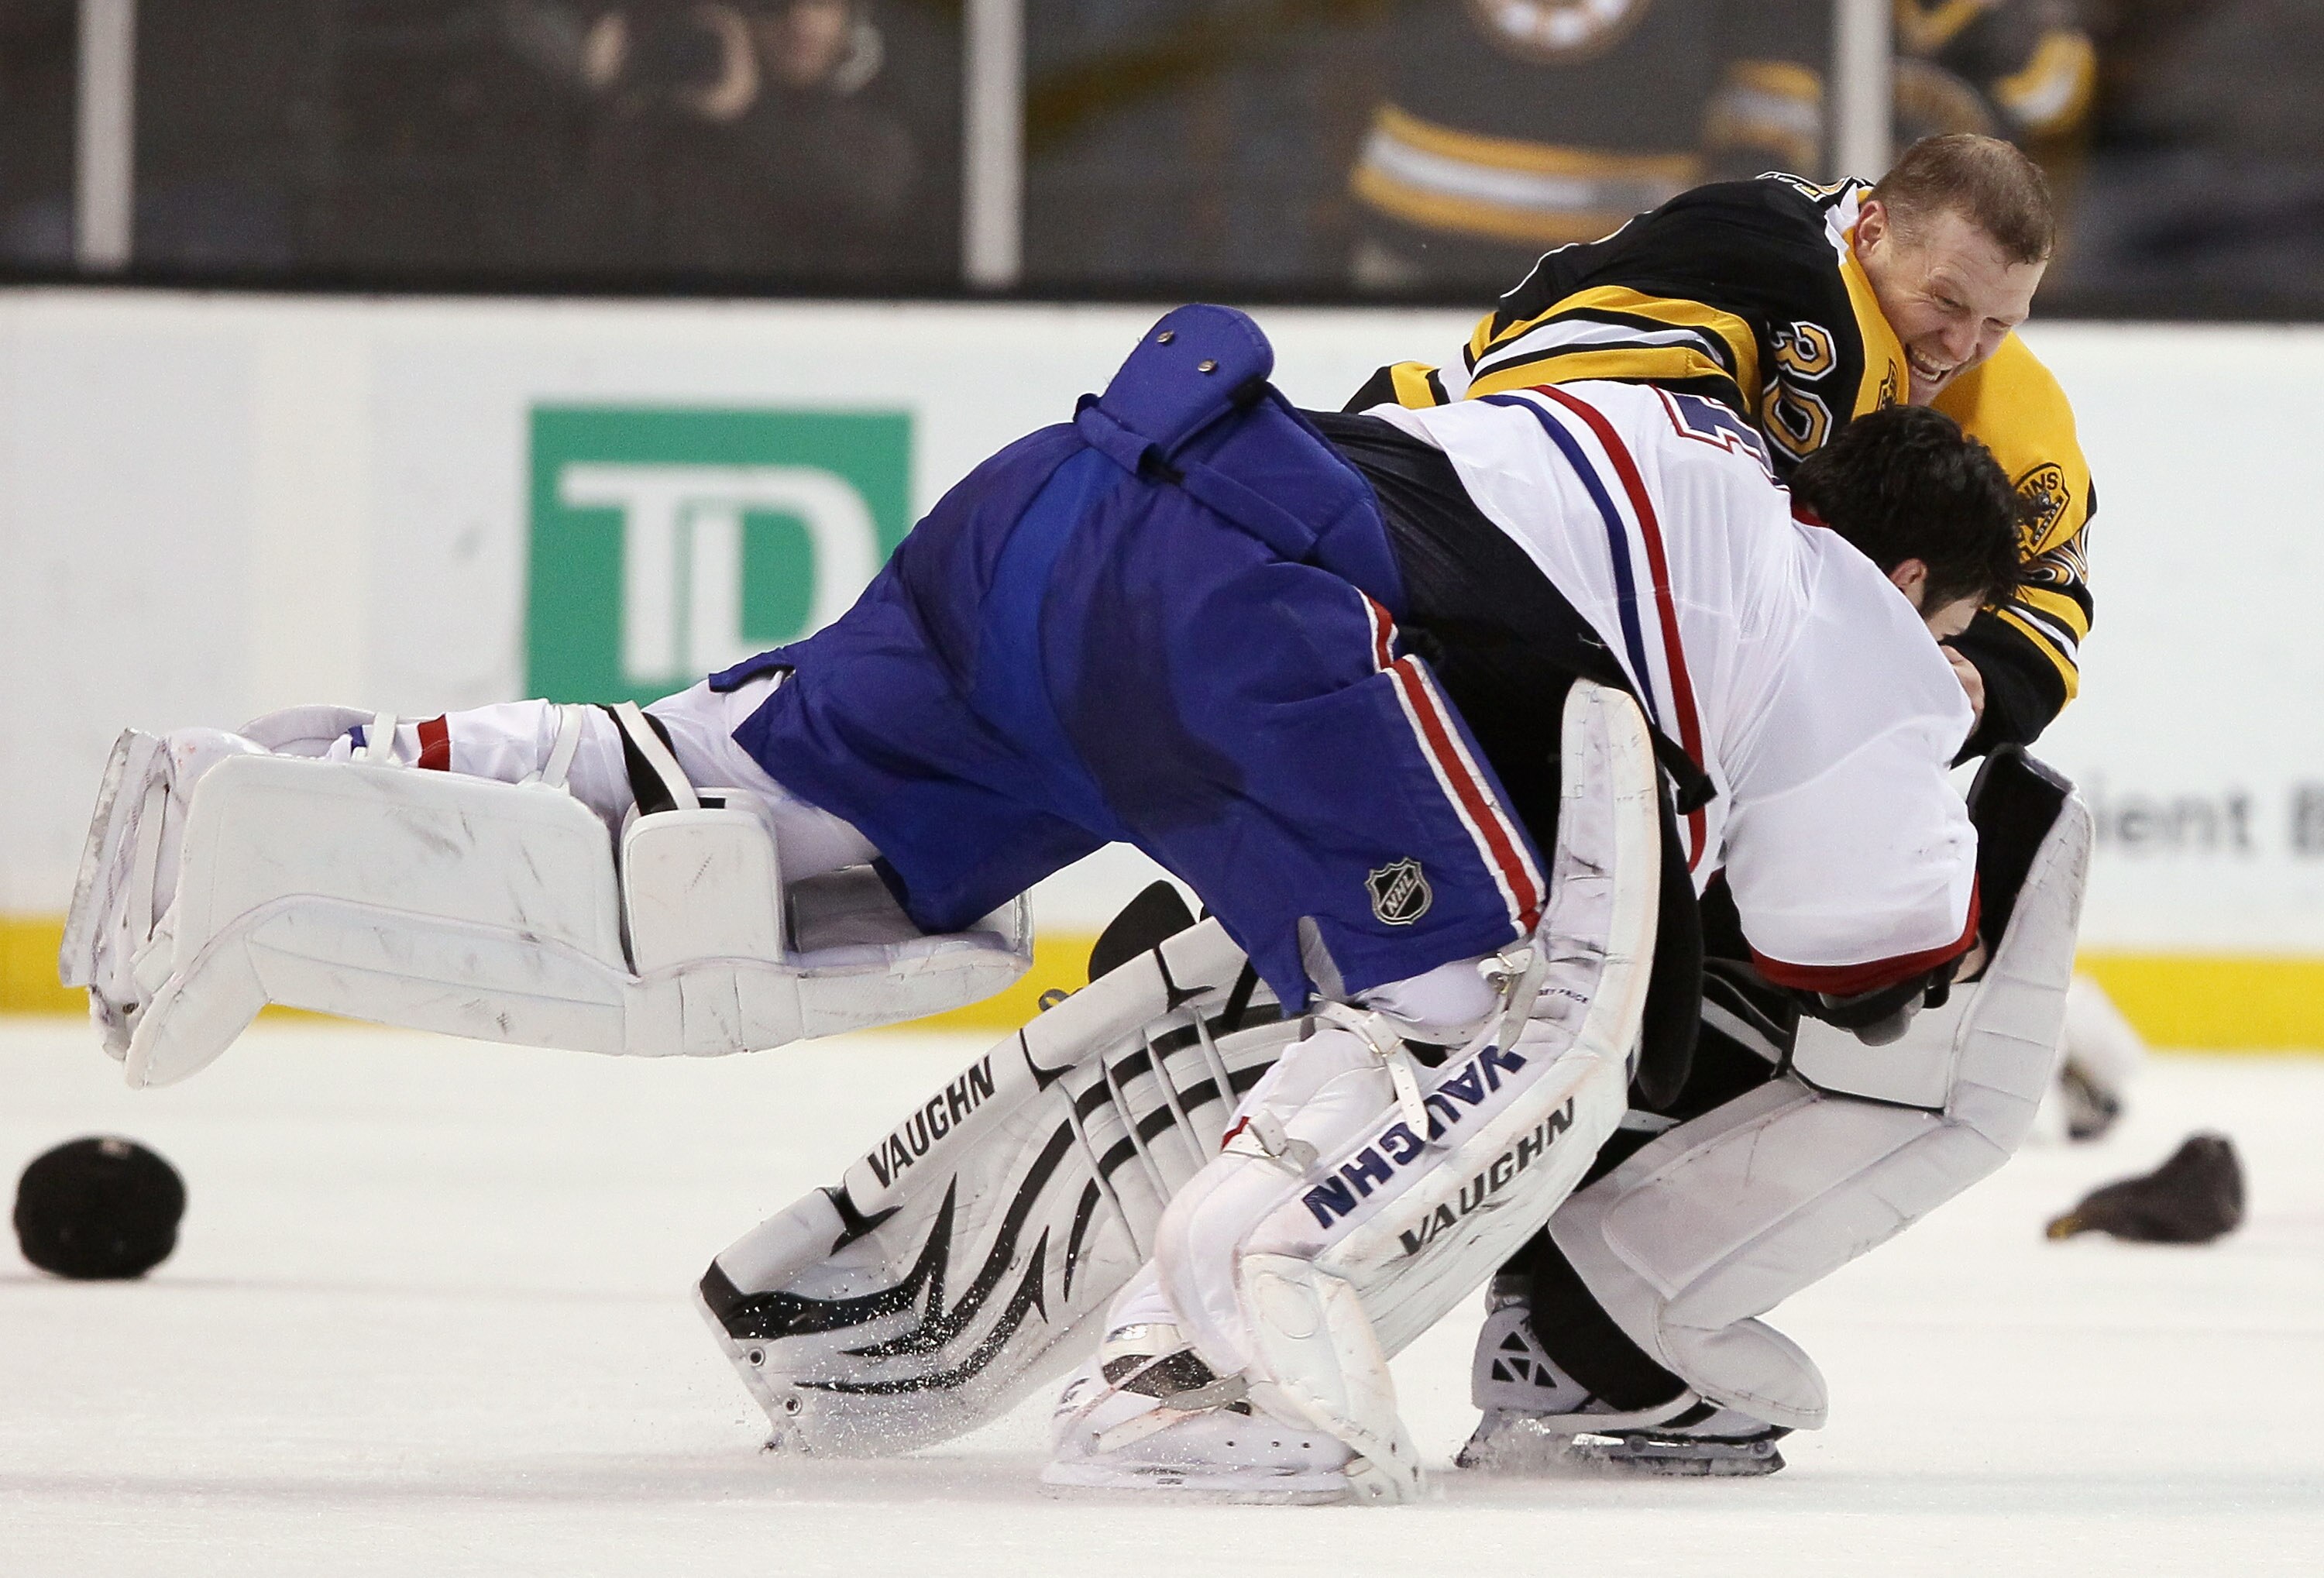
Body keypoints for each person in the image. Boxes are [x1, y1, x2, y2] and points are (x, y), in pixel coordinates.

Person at [61, 306, 2024, 1502]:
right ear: (1923, 573)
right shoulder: (1857, 618)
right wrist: (1934, 718)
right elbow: (1858, 934)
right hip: (1265, 613)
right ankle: (1203, 1368)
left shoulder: (1635, 421)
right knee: (1500, 999)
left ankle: (262, 808)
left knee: (723, 836)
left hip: (1078, 492)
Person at [1349, 131, 2103, 1473]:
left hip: (1615, 690)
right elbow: (1563, 437)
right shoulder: (1758, 263)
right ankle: (1554, 1315)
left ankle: (1562, 1313)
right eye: (1948, 304)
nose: (1965, 346)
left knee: (1659, 981)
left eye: (2001, 320)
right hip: (1472, 612)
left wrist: (1945, 685)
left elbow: (2045, 612)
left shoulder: (2008, 403)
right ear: (1871, 229)